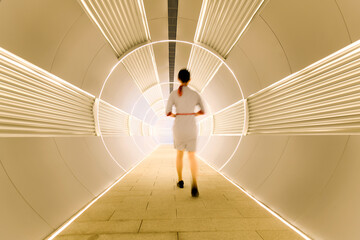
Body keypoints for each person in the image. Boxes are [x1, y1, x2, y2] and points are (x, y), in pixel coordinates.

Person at [166, 69, 205, 197]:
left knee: (179, 155)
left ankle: (180, 180)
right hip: (191, 127)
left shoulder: (173, 94)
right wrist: (193, 113)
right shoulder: (195, 94)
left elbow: (167, 112)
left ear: (178, 79)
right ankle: (194, 183)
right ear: (189, 80)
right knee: (192, 156)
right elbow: (203, 111)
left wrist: (177, 115)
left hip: (179, 127)